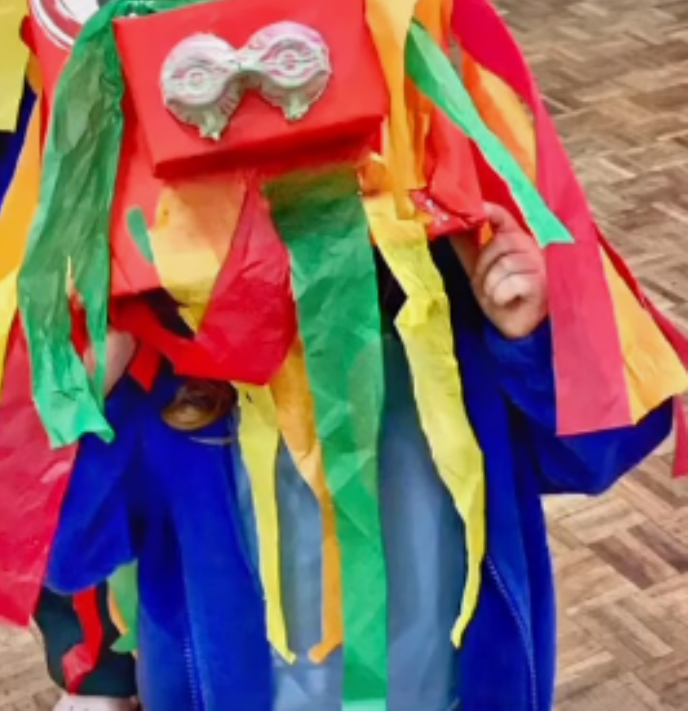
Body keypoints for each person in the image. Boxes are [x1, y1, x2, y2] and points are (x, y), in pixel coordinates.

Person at [0, 0, 282, 711]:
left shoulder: (206, 34)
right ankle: (92, 670)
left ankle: (130, 663)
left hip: (176, 357)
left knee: (156, 527)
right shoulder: (3, 58)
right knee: (77, 565)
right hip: (58, 347)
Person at [40, 207, 671, 710]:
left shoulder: (457, 309)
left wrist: (534, 335)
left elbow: (601, 451)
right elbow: (55, 553)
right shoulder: (170, 372)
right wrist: (88, 393)